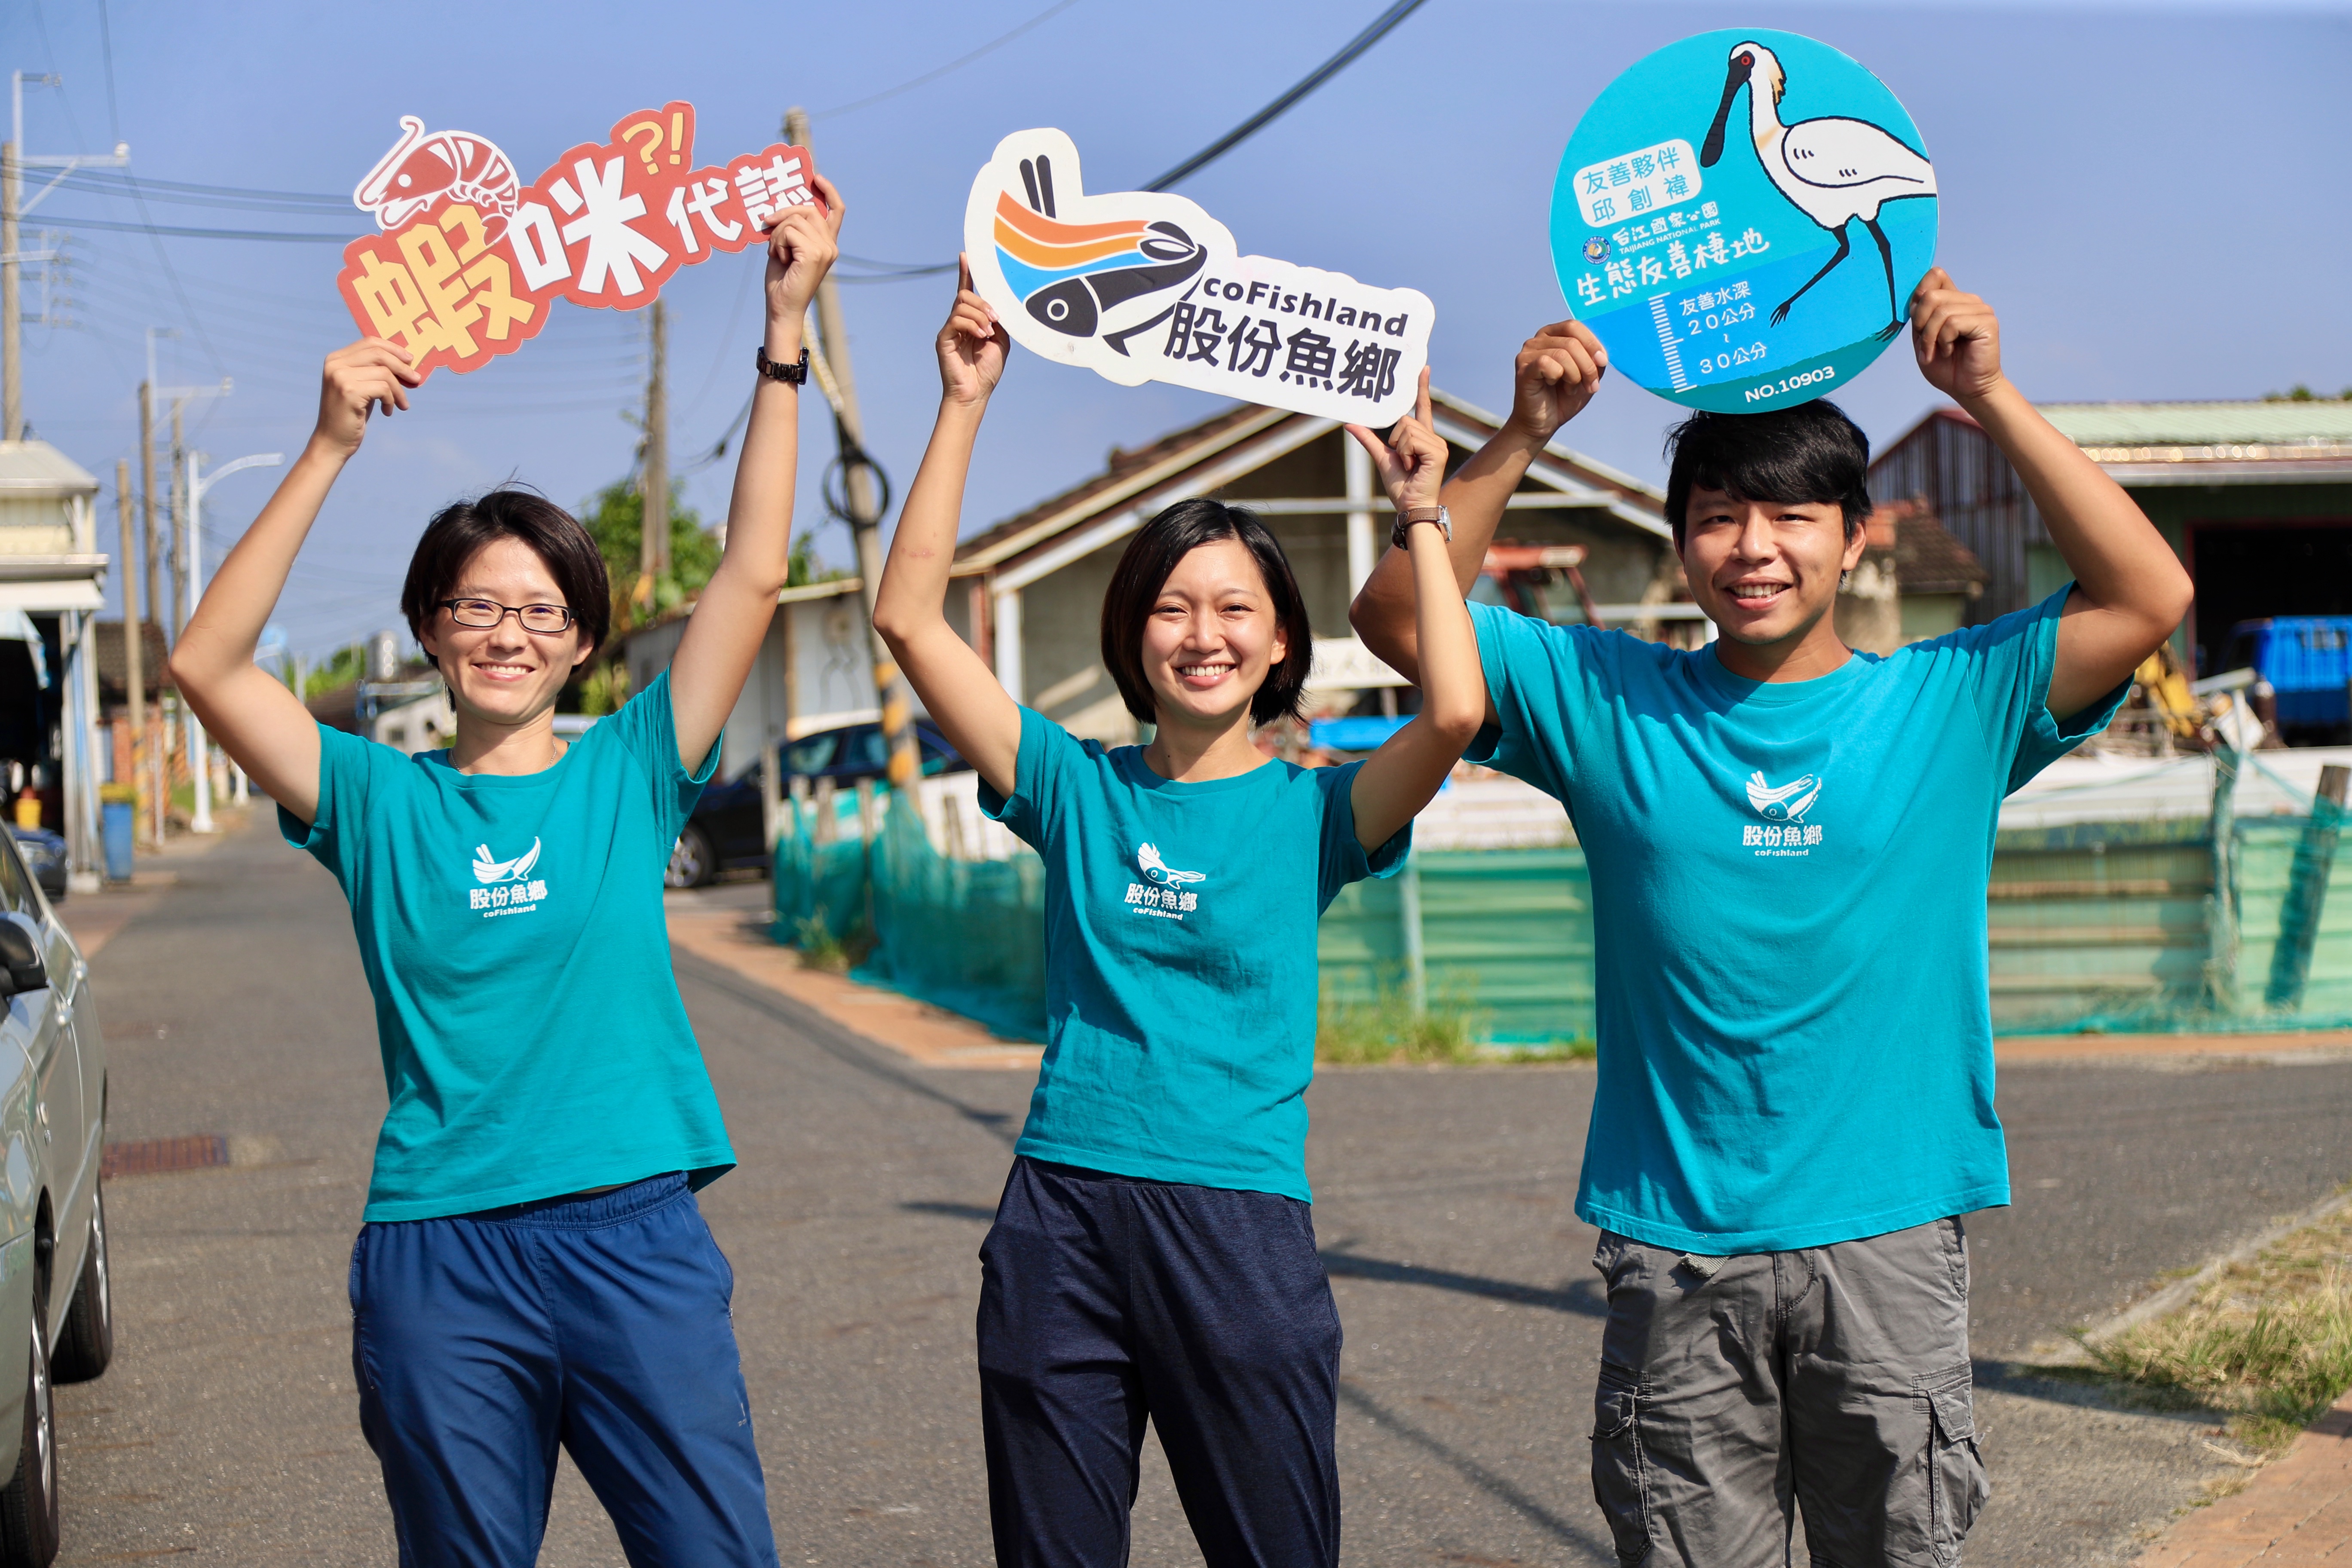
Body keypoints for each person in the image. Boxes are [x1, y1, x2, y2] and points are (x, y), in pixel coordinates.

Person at [1348, 270, 2194, 1568]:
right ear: (1681, 542)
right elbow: (1402, 617)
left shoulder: (1949, 701)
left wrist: (1987, 396)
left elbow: (2148, 596)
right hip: (1678, 1248)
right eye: (1720, 518)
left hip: (1890, 1237)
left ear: (1857, 537)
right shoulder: (1605, 698)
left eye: (1795, 516)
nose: (1756, 548)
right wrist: (1521, 438)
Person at [167, 175, 845, 1565]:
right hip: (441, 1253)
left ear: (584, 640)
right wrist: (327, 445)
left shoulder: (634, 770)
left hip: (635, 1236)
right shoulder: (370, 797)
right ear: (430, 628)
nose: (506, 631)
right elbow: (205, 666)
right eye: (476, 605)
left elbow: (756, 575)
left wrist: (785, 332)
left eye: (540, 609)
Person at [871, 265, 1484, 1568]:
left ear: (1278, 646)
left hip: (1238, 1235)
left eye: (1233, 611)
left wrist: (1424, 508)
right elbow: (908, 617)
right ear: (1132, 635)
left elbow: (1454, 713)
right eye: (1170, 606)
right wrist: (963, 403)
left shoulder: (1320, 814)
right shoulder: (1073, 789)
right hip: (1061, 1219)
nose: (1198, 634)